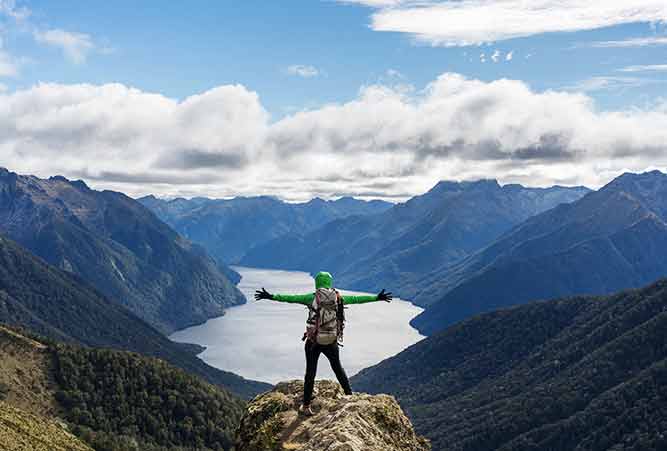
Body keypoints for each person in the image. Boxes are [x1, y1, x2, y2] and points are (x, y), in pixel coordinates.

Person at [254, 271, 392, 416]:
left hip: (313, 341)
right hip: (331, 340)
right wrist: (377, 297)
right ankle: (349, 396)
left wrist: (270, 296)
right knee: (337, 367)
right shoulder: (338, 298)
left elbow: (290, 298)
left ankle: (306, 406)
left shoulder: (311, 298)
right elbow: (357, 299)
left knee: (310, 372)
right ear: (329, 282)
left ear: (317, 283)